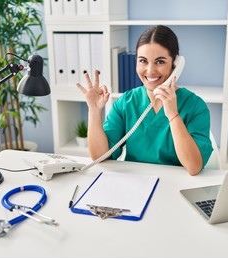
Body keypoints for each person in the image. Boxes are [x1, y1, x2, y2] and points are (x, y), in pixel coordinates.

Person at [76, 25, 213, 175]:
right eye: (143, 61)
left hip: (175, 186)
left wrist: (173, 115)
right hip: (136, 184)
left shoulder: (195, 106)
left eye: (160, 62)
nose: (150, 70)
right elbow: (99, 156)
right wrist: (94, 111)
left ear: (175, 64)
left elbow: (194, 167)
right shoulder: (126, 103)